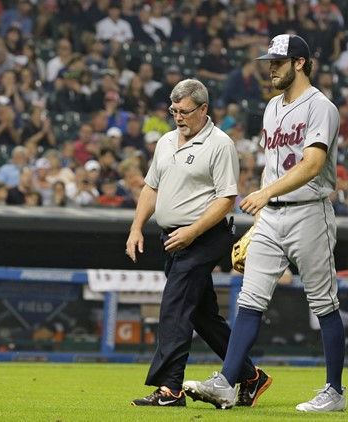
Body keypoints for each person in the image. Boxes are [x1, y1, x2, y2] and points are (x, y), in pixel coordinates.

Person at [182, 34, 346, 412]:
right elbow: (275, 164)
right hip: (271, 216)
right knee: (249, 299)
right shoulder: (272, 106)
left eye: (278, 62)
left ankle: (334, 391)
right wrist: (264, 211)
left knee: (323, 302)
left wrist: (266, 193)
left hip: (309, 211)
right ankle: (226, 382)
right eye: (269, 61)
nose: (270, 68)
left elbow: (312, 164)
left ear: (300, 63)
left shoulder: (321, 107)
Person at [125, 78, 268, 407]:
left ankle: (170, 388)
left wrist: (192, 232)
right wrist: (136, 228)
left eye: (185, 111)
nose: (178, 117)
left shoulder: (219, 144)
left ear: (203, 109)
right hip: (173, 237)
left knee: (174, 306)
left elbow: (226, 199)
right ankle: (249, 375)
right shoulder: (165, 141)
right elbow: (151, 188)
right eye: (174, 110)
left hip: (204, 236)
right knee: (202, 315)